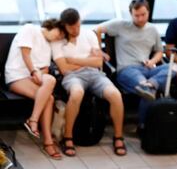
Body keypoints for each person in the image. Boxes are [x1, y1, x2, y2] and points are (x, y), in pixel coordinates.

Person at [51, 8, 126, 156]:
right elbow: (64, 69)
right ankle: (68, 137)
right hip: (72, 76)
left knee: (115, 95)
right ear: (64, 26)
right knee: (77, 93)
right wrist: (87, 61)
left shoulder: (89, 34)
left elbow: (98, 62)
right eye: (72, 27)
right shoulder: (58, 41)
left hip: (95, 74)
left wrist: (72, 60)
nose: (76, 30)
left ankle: (118, 137)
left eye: (78, 26)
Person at [95, 0, 174, 130]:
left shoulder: (153, 30)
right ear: (131, 14)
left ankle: (150, 84)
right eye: (136, 15)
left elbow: (159, 52)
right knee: (148, 91)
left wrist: (152, 61)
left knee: (173, 67)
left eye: (143, 15)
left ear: (148, 12)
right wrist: (99, 50)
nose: (140, 18)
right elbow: (96, 29)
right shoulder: (121, 25)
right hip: (127, 69)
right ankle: (143, 126)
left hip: (148, 69)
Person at [5, 19, 65, 160]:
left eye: (63, 36)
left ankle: (43, 134)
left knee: (49, 96)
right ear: (53, 26)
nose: (60, 37)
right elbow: (25, 53)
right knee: (49, 88)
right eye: (60, 32)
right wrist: (34, 71)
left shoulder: (49, 45)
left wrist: (38, 75)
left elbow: (44, 69)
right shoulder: (30, 28)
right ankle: (36, 126)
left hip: (33, 79)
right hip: (16, 76)